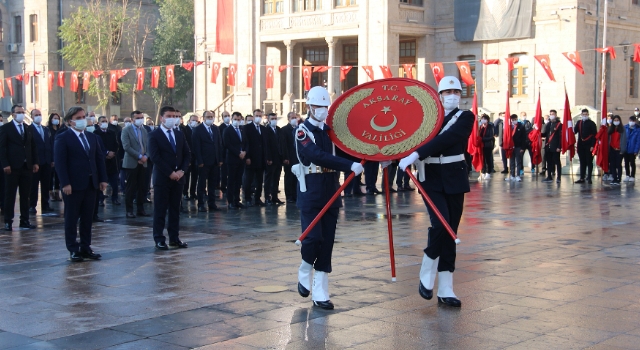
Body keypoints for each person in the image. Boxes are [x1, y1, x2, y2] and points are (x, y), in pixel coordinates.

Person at [398, 76, 474, 308]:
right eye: (447, 92)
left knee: (450, 231)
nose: (452, 96)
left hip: (454, 177)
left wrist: (416, 154)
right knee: (441, 225)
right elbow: (408, 137)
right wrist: (391, 156)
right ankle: (428, 265)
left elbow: (446, 139)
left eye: (456, 92)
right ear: (439, 96)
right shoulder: (429, 119)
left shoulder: (466, 117)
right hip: (430, 178)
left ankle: (446, 288)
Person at [295, 86, 364, 310]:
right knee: (313, 238)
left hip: (331, 190)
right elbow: (317, 156)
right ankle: (305, 267)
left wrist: (375, 156)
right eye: (318, 107)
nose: (322, 111)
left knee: (327, 243)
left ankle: (321, 292)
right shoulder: (302, 131)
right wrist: (348, 165)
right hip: (311, 191)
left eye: (325, 107)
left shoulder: (330, 132)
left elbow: (347, 151)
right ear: (309, 107)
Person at [54, 106, 108, 262]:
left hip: (91, 184)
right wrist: (65, 183)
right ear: (70, 121)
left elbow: (99, 159)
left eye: (83, 117)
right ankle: (73, 248)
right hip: (73, 184)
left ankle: (86, 247)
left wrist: (103, 179)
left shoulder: (92, 137)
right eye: (78, 118)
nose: (82, 120)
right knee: (71, 218)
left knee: (87, 218)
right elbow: (60, 163)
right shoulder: (63, 137)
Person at [148, 106, 190, 250]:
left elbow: (186, 154)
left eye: (175, 116)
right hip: (163, 178)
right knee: (160, 210)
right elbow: (155, 157)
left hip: (179, 178)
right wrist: (170, 173)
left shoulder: (179, 134)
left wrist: (182, 171)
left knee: (175, 209)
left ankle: (174, 238)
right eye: (169, 116)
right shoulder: (154, 135)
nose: (173, 118)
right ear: (161, 118)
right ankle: (159, 238)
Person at [0, 105, 39, 231]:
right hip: (12, 167)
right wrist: (5, 164)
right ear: (13, 114)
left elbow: (32, 146)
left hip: (26, 166)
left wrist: (35, 162)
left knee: (25, 194)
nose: (22, 114)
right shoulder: (6, 128)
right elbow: (2, 148)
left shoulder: (27, 128)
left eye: (23, 112)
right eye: (19, 112)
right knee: (10, 194)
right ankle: (8, 221)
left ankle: (25, 220)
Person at [192, 110, 223, 212]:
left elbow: (218, 144)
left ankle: (212, 203)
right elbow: (196, 147)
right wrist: (200, 161)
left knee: (212, 184)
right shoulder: (198, 130)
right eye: (208, 117)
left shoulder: (215, 128)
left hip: (214, 161)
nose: (210, 119)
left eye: (212, 117)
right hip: (203, 162)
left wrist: (219, 159)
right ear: (203, 118)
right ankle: (201, 204)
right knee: (201, 184)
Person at [121, 111, 150, 218]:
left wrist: (146, 156)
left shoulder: (144, 130)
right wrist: (139, 156)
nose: (140, 119)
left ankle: (140, 209)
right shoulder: (126, 130)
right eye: (138, 118)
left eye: (141, 117)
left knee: (142, 187)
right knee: (130, 187)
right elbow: (126, 147)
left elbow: (148, 145)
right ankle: (129, 210)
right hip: (131, 162)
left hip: (144, 162)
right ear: (132, 119)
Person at [29, 109, 54, 214]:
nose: (38, 116)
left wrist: (52, 159)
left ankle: (45, 204)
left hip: (47, 161)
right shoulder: (28, 129)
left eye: (39, 115)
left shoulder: (45, 129)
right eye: (36, 115)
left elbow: (50, 145)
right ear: (32, 117)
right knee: (33, 185)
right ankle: (32, 205)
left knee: (46, 185)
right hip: (36, 162)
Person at [243, 109, 267, 207]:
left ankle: (257, 198)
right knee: (248, 180)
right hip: (251, 158)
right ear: (253, 116)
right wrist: (247, 157)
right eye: (256, 115)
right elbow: (245, 143)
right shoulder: (247, 128)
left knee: (259, 180)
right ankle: (248, 198)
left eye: (260, 116)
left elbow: (265, 144)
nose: (258, 117)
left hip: (261, 159)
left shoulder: (263, 129)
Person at [95, 116, 121, 205]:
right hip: (102, 161)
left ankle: (115, 198)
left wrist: (113, 153)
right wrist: (106, 153)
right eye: (102, 121)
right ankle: (100, 199)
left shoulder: (112, 132)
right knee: (100, 181)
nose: (105, 123)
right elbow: (97, 147)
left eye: (106, 121)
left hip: (112, 161)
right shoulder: (96, 133)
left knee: (114, 182)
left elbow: (116, 144)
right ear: (98, 123)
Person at [223, 112, 246, 209]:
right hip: (232, 158)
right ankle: (230, 201)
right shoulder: (227, 130)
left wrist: (245, 152)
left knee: (238, 181)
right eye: (235, 119)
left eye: (239, 119)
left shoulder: (242, 129)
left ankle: (237, 200)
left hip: (242, 159)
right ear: (232, 119)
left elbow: (246, 142)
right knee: (231, 181)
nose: (237, 121)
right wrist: (238, 153)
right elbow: (227, 144)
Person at [264, 113, 285, 205]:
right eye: (272, 118)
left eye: (275, 118)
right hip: (271, 158)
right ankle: (267, 197)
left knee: (276, 178)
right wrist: (268, 158)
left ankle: (274, 197)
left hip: (278, 158)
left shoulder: (279, 130)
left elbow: (282, 144)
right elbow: (266, 145)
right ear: (268, 120)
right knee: (269, 178)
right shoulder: (266, 131)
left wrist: (284, 157)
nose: (274, 120)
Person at [574, 109, 598, 184]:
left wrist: (592, 146)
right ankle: (582, 177)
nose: (585, 116)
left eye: (586, 114)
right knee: (582, 161)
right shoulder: (579, 123)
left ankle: (589, 177)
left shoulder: (592, 123)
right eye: (583, 114)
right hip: (581, 144)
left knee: (589, 161)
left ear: (588, 115)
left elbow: (594, 135)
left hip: (589, 145)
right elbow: (575, 131)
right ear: (581, 115)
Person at [541, 110, 563, 183]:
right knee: (549, 162)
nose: (551, 115)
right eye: (550, 114)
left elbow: (561, 136)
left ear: (556, 115)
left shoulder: (559, 124)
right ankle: (549, 176)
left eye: (553, 114)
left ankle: (558, 177)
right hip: (548, 146)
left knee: (557, 162)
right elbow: (545, 134)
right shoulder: (548, 124)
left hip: (555, 146)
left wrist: (559, 147)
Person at [47, 112, 65, 202]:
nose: (56, 120)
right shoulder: (48, 130)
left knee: (58, 176)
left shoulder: (60, 130)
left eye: (57, 118)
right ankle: (51, 193)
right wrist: (51, 159)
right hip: (51, 155)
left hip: (59, 156)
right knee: (50, 176)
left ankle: (57, 193)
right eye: (54, 118)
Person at [281, 112, 298, 203]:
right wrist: (285, 157)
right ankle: (289, 195)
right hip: (289, 157)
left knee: (296, 177)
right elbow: (284, 145)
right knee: (289, 177)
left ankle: (295, 194)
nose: (294, 119)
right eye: (292, 117)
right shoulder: (284, 130)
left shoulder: (299, 129)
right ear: (288, 119)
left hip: (297, 157)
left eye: (295, 117)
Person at [182, 114, 199, 200]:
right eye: (193, 120)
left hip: (196, 156)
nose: (195, 122)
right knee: (187, 175)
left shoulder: (197, 130)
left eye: (197, 121)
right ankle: (185, 192)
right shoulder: (185, 129)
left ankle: (193, 192)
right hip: (188, 155)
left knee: (195, 175)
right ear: (189, 120)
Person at [505, 114, 525, 182]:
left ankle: (518, 175)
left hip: (518, 146)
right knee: (512, 161)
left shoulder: (521, 126)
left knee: (518, 161)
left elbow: (524, 138)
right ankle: (512, 175)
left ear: (517, 119)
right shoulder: (509, 127)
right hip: (511, 147)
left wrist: (522, 148)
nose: (514, 121)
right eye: (512, 120)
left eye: (515, 119)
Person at [609, 115, 627, 186]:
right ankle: (614, 178)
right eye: (615, 120)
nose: (616, 122)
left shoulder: (622, 129)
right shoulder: (611, 129)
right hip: (612, 149)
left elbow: (624, 140)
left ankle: (619, 178)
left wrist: (622, 150)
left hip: (619, 149)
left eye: (617, 120)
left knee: (618, 164)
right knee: (612, 164)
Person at [623, 116, 639, 182]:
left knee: (632, 163)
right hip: (626, 148)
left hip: (632, 149)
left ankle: (632, 176)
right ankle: (627, 175)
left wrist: (636, 150)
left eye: (633, 121)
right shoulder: (625, 127)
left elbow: (638, 141)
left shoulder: (638, 129)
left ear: (635, 121)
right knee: (626, 162)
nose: (631, 122)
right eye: (630, 120)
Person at [218, 111, 231, 192]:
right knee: (224, 172)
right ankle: (223, 186)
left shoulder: (231, 127)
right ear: (222, 118)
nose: (227, 117)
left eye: (228, 115)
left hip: (231, 154)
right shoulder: (220, 128)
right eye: (225, 116)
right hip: (223, 153)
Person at [479, 114, 494, 179]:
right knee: (482, 159)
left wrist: (482, 139)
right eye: (482, 119)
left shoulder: (490, 127)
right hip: (481, 146)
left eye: (485, 119)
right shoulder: (480, 127)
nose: (483, 120)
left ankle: (488, 172)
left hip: (488, 145)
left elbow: (491, 137)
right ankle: (483, 171)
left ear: (487, 120)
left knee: (488, 159)